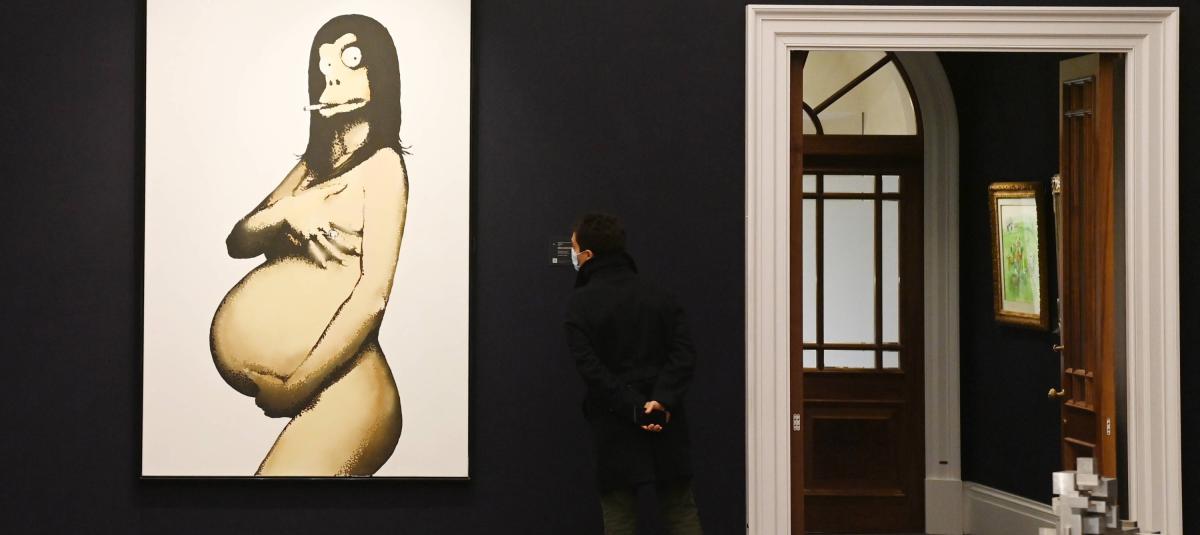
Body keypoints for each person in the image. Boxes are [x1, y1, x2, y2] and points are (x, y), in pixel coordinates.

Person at [210, 14, 408, 476]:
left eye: (351, 59)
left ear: (379, 74)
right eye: (324, 64)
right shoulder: (312, 167)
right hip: (321, 387)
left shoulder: (383, 167)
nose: (332, 75)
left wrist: (295, 386)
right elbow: (239, 240)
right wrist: (289, 211)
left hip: (348, 394)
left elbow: (373, 296)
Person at [564, 213, 703, 534]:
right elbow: (683, 354)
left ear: (588, 255)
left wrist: (635, 408)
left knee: (619, 515)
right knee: (680, 509)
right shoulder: (660, 294)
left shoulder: (579, 305)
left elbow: (591, 370)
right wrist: (660, 401)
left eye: (574, 248)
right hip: (665, 418)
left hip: (614, 419)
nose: (572, 254)